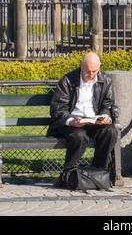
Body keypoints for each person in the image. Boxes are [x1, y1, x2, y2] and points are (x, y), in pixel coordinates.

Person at [47, 52, 118, 187]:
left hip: (93, 120)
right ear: (81, 66)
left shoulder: (106, 80)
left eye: (94, 72)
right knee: (79, 136)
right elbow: (57, 108)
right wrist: (70, 121)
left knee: (111, 131)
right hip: (71, 122)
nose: (91, 76)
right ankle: (67, 173)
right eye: (87, 72)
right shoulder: (67, 80)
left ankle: (99, 173)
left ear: (99, 67)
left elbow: (108, 103)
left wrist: (105, 116)